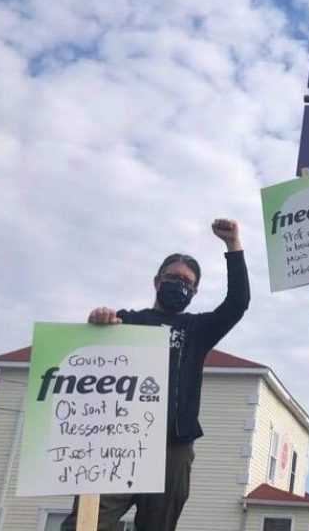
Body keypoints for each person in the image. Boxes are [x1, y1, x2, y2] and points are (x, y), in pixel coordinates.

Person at [62, 219, 250, 531]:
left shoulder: (197, 330)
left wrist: (233, 245)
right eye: (173, 277)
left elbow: (237, 303)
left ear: (195, 291)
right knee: (85, 523)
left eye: (188, 282)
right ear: (157, 281)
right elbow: (89, 359)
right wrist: (98, 321)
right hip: (116, 444)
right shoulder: (126, 322)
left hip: (173, 446)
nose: (180, 284)